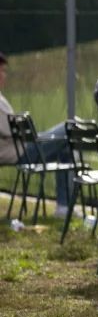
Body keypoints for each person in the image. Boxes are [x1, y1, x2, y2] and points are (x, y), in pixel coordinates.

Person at [0, 51, 75, 217]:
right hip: (20, 153)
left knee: (65, 146)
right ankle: (64, 206)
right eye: (1, 71)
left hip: (21, 147)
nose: (4, 75)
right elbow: (15, 132)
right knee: (69, 127)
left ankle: (63, 207)